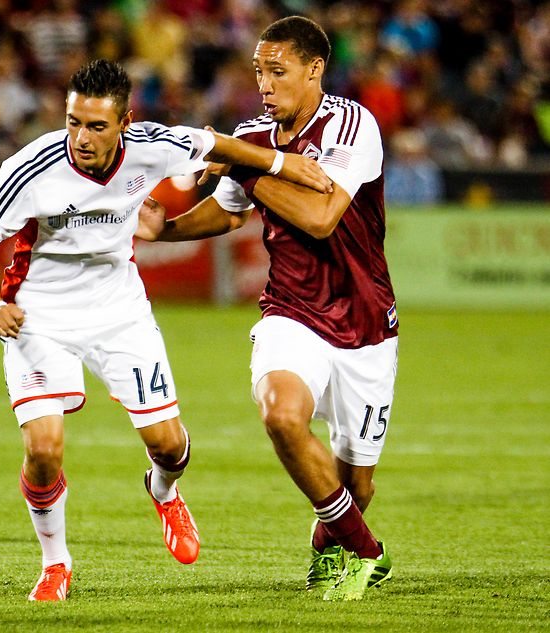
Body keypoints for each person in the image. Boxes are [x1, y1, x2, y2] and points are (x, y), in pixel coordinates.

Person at [0, 58, 330, 602]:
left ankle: (164, 490)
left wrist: (285, 167)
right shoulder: (29, 169)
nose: (81, 138)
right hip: (40, 317)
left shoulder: (152, 145)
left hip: (119, 313)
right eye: (73, 122)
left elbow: (219, 145)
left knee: (169, 445)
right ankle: (55, 563)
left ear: (125, 121)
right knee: (43, 448)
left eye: (97, 126)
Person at [136, 16, 397, 601]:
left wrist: (248, 169)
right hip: (292, 311)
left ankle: (331, 547)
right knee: (280, 414)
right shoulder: (253, 135)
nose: (265, 84)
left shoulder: (352, 126)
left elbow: (320, 217)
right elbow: (228, 213)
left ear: (314, 70)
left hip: (365, 321)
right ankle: (368, 552)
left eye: (277, 71)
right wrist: (166, 229)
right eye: (259, 71)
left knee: (356, 484)